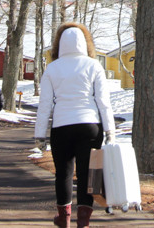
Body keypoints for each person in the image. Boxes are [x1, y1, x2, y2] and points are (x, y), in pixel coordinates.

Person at [35, 23, 116, 228]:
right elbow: (103, 102)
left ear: (60, 44)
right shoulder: (94, 65)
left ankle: (64, 218)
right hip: (90, 125)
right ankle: (84, 222)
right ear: (85, 43)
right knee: (88, 175)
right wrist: (110, 130)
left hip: (62, 126)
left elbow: (45, 104)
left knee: (63, 173)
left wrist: (40, 135)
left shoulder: (52, 68)